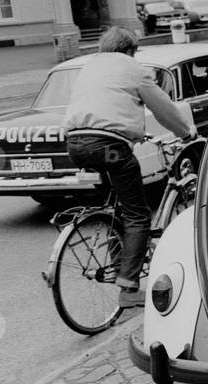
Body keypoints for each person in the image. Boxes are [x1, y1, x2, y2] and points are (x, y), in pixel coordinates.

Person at [63, 27, 196, 309]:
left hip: (75, 144)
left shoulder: (90, 66)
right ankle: (129, 287)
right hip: (109, 145)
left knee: (116, 209)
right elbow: (163, 107)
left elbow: (101, 104)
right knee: (138, 215)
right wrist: (186, 133)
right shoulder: (131, 67)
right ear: (129, 50)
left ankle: (118, 262)